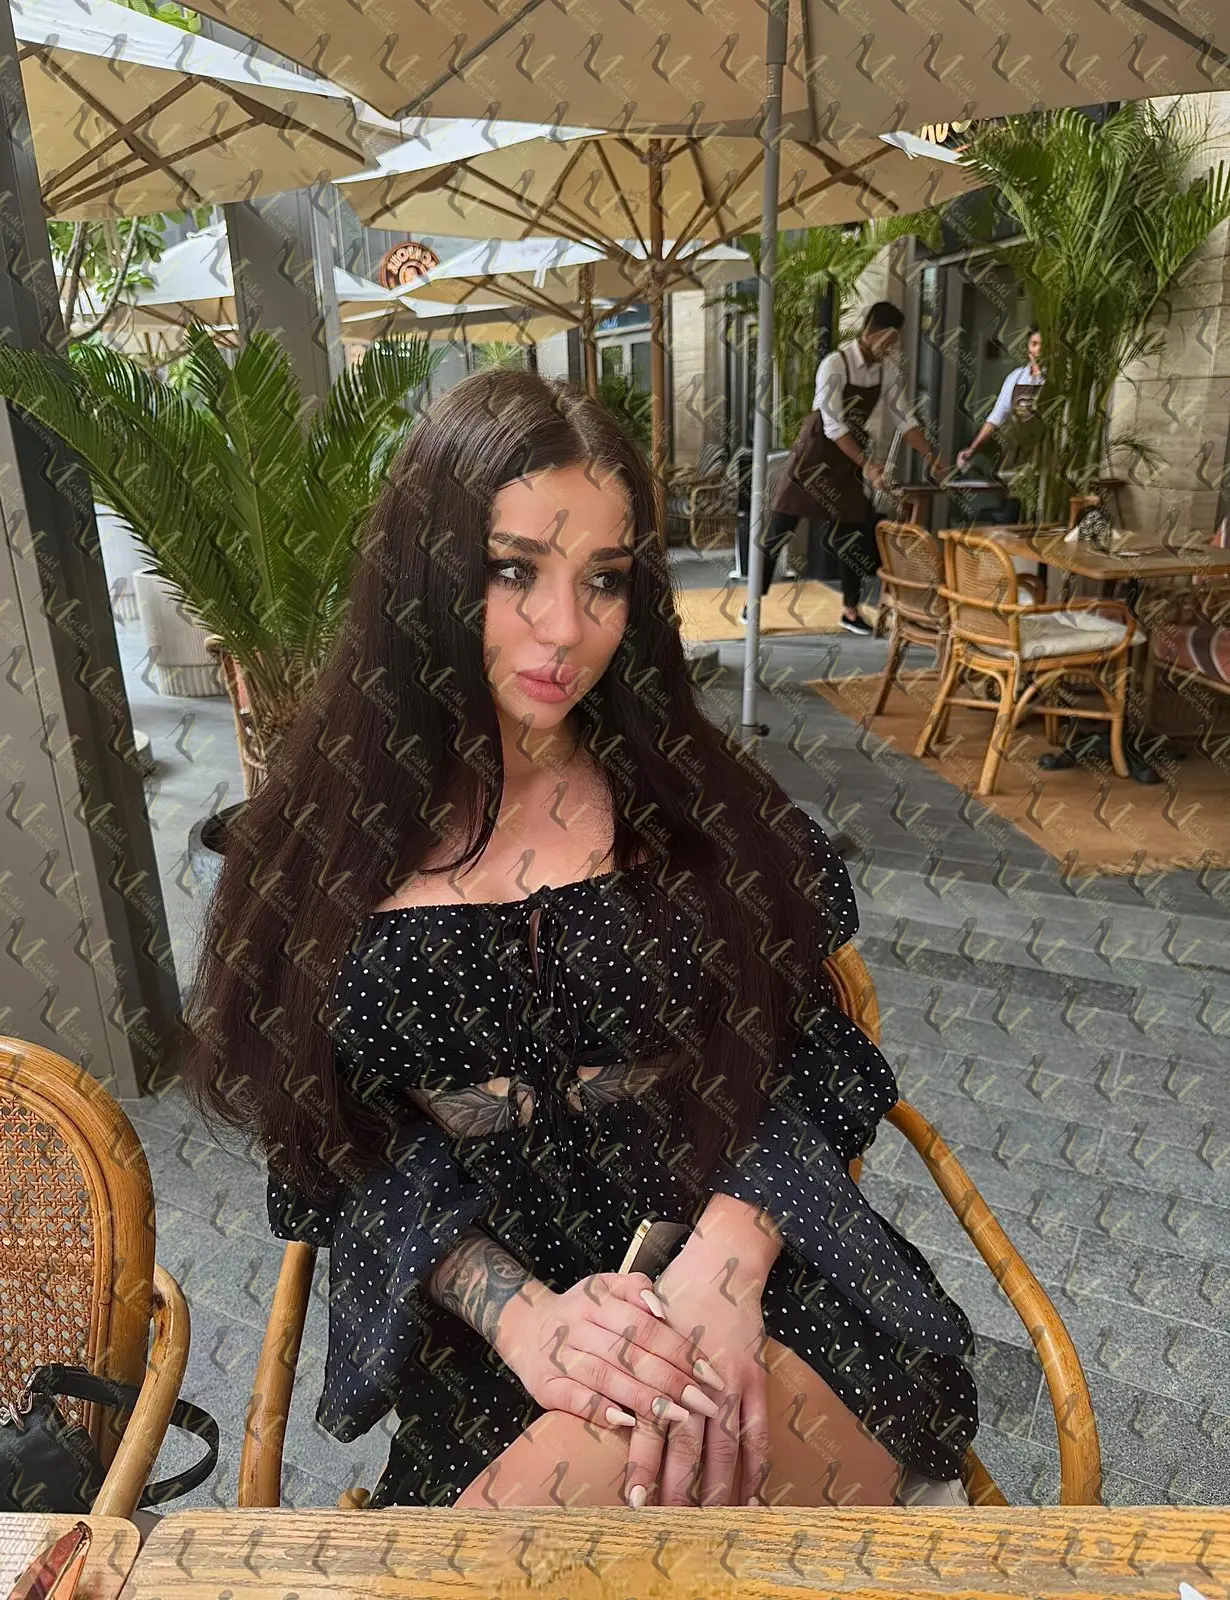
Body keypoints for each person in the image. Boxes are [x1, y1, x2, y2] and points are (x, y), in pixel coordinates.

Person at [178, 370, 977, 1512]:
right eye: (515, 570)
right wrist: (523, 1315)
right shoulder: (324, 850)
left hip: (766, 1290)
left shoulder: (693, 809)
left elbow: (812, 1056)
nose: (567, 629)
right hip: (499, 1363)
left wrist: (724, 1266)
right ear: (425, 576)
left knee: (564, 1517)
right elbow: (336, 1152)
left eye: (604, 578)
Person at [753, 302, 945, 635]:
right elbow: (832, 426)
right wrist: (868, 466)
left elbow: (905, 420)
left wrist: (932, 457)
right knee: (778, 532)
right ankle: (752, 604)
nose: (892, 348)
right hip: (813, 457)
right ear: (871, 333)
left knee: (853, 533)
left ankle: (850, 611)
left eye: (895, 342)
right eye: (889, 340)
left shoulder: (887, 373)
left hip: (846, 460)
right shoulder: (834, 364)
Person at [955, 327, 1045, 518]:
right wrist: (973, 449)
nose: (1038, 350)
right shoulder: (1015, 378)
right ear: (1028, 347)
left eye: (1042, 345)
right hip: (1016, 456)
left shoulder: (1054, 380)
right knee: (1014, 509)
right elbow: (996, 417)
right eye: (1034, 344)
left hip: (1044, 456)